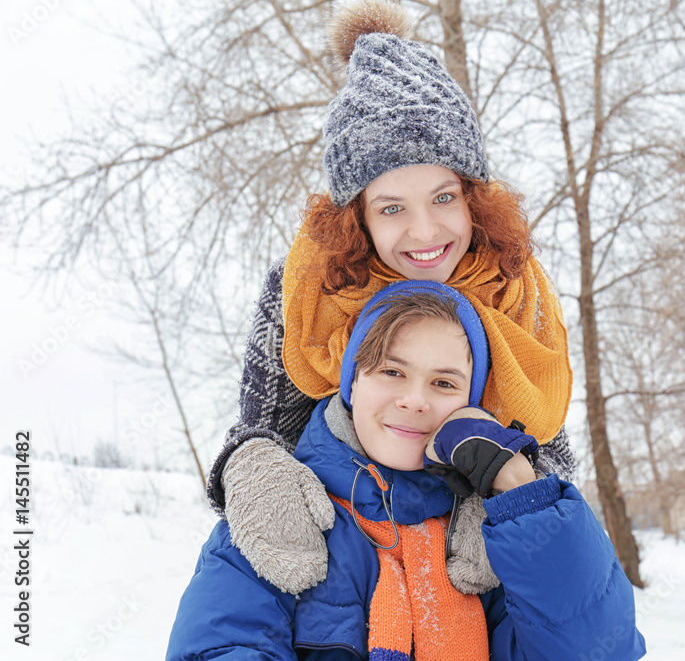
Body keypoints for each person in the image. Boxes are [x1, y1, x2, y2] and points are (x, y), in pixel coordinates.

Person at [207, 0, 577, 595]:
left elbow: (552, 448)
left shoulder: (515, 287)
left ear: (474, 197)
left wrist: (508, 496)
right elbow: (264, 429)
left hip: (473, 587)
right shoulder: (308, 289)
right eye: (391, 208)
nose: (425, 233)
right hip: (342, 566)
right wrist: (249, 469)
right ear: (357, 218)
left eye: (444, 198)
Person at [167, 282, 646, 661]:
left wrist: (519, 488)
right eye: (392, 371)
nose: (415, 400)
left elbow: (596, 649)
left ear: (471, 405)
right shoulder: (274, 514)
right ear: (353, 382)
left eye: (444, 383)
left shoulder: (495, 540)